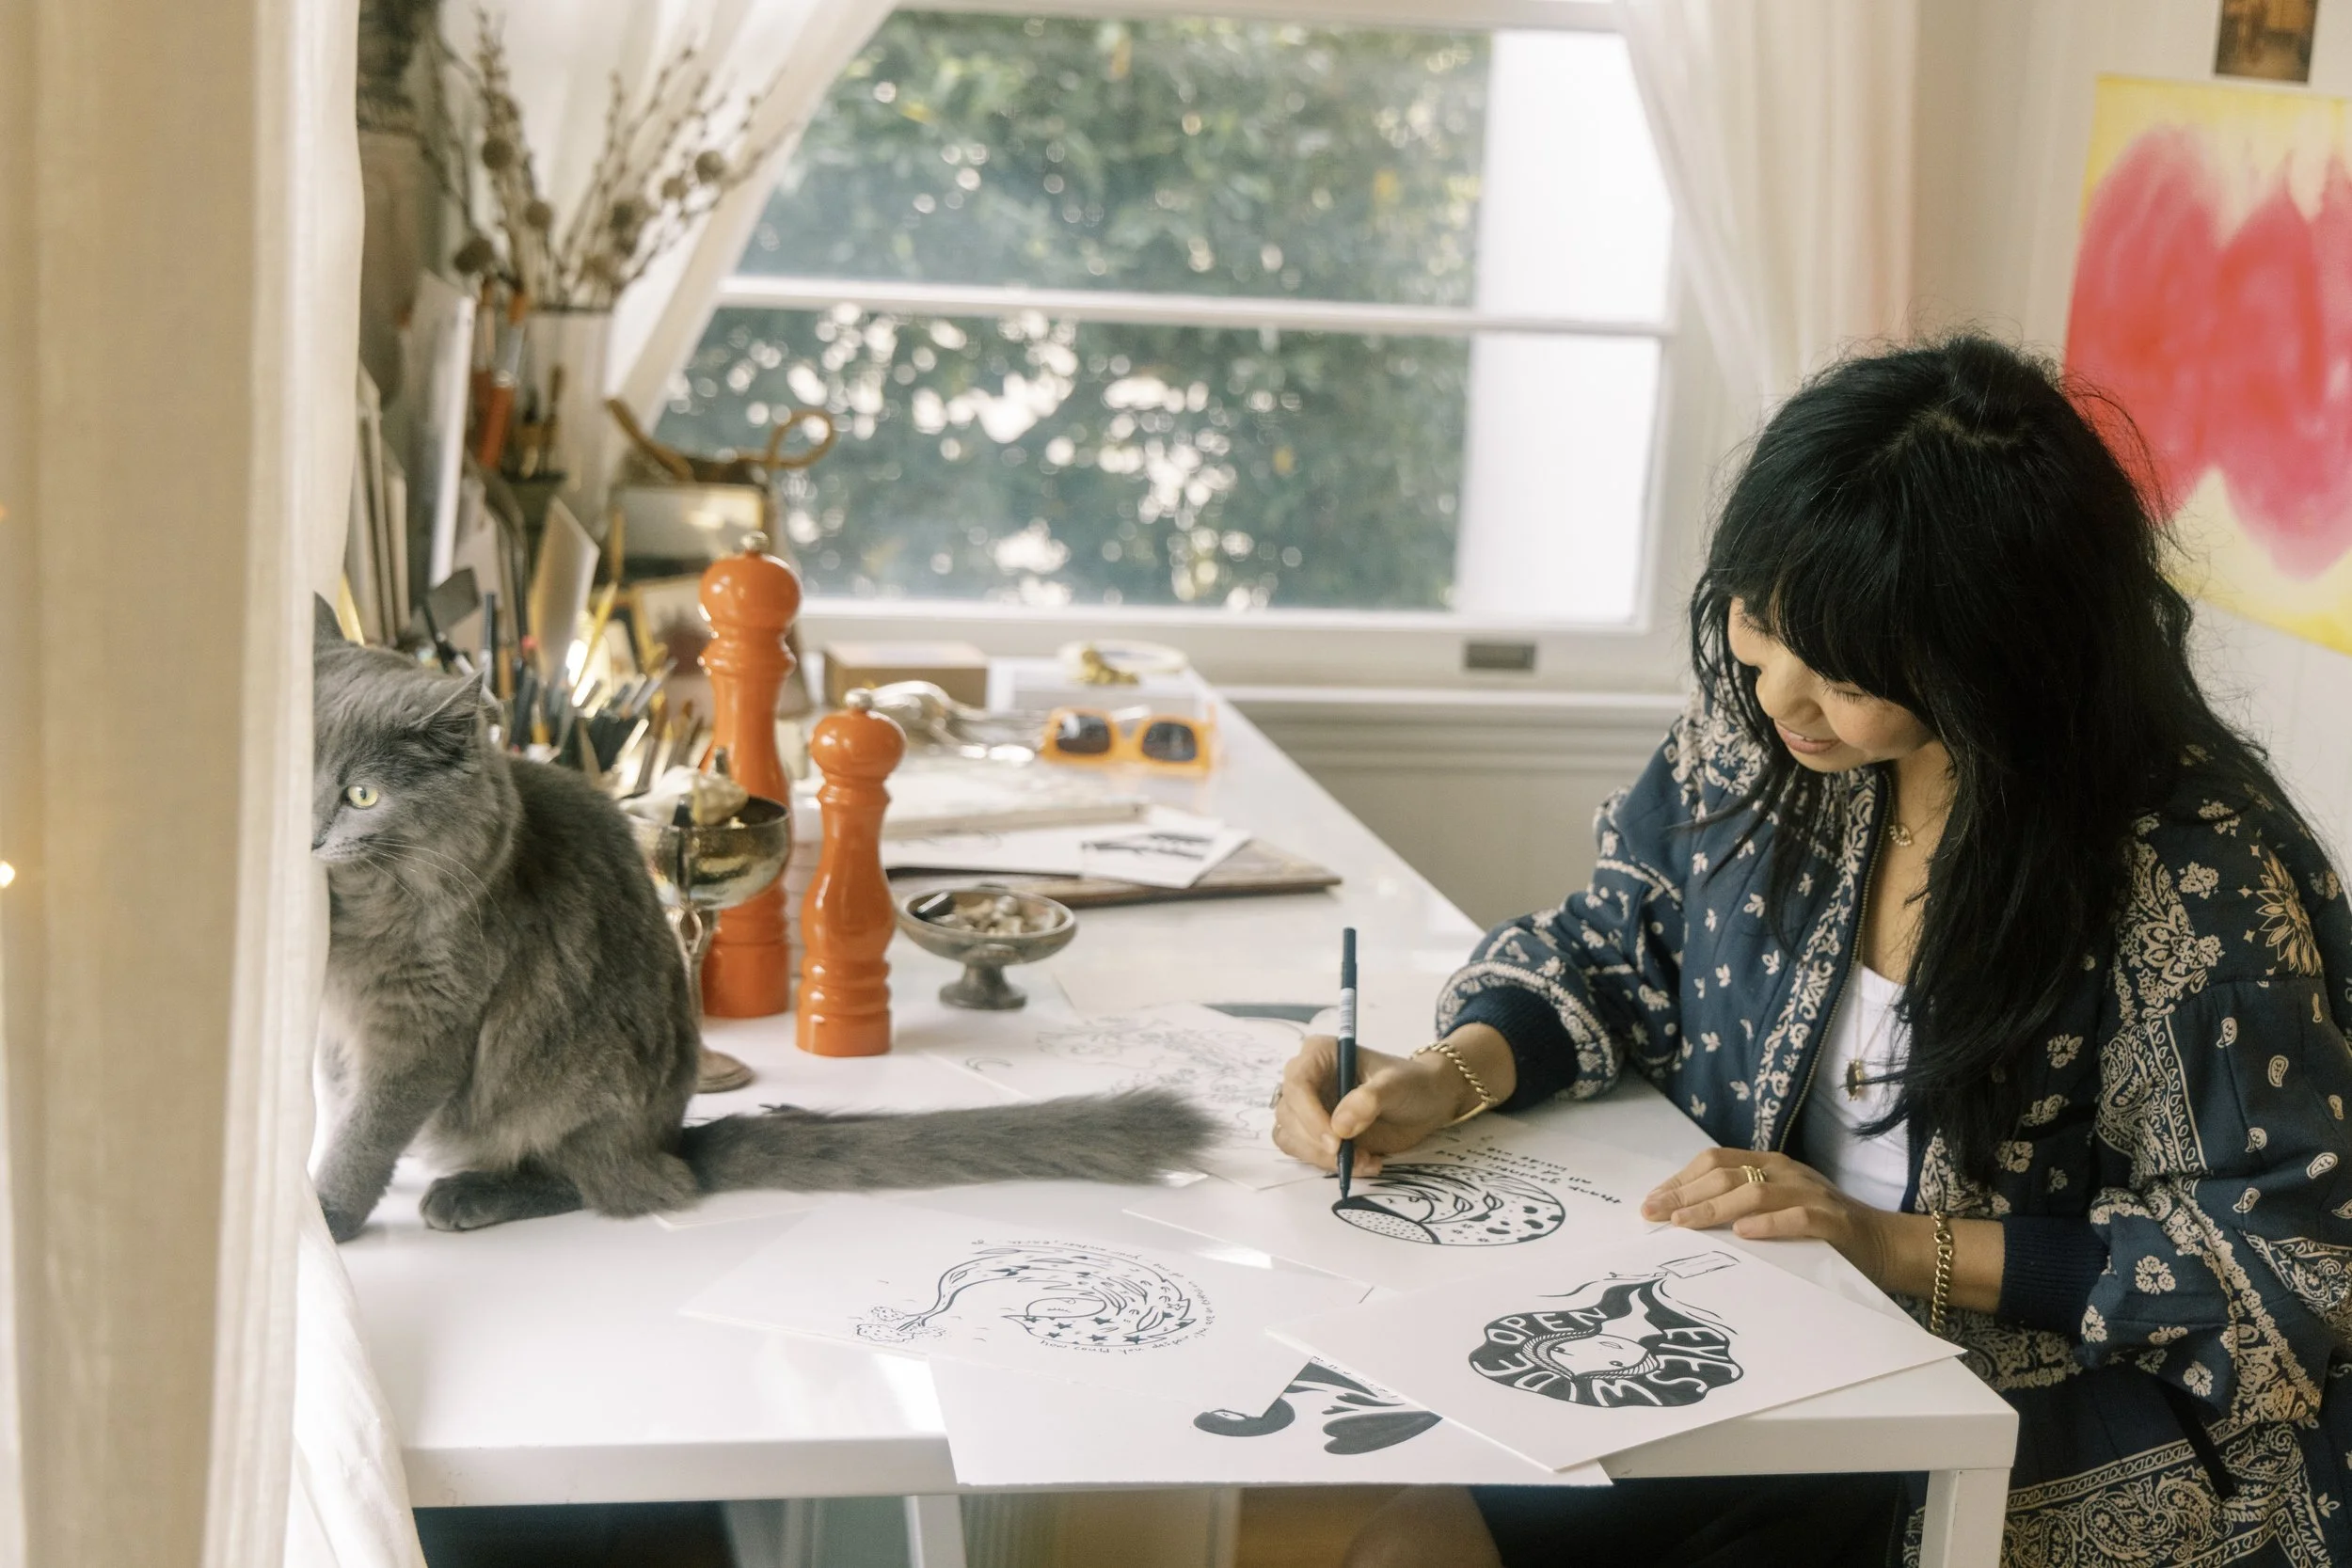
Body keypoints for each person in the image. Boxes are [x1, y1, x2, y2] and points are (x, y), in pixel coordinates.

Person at [1274, 338, 2352, 1568]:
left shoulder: (2189, 879)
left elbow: (2284, 1262)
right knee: (1412, 1542)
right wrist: (1449, 1073)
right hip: (1776, 1330)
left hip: (2037, 1414)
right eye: (1758, 621)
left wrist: (1888, 1243)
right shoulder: (1774, 754)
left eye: (1840, 669)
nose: (1778, 691)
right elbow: (1617, 942)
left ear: (1989, 657)